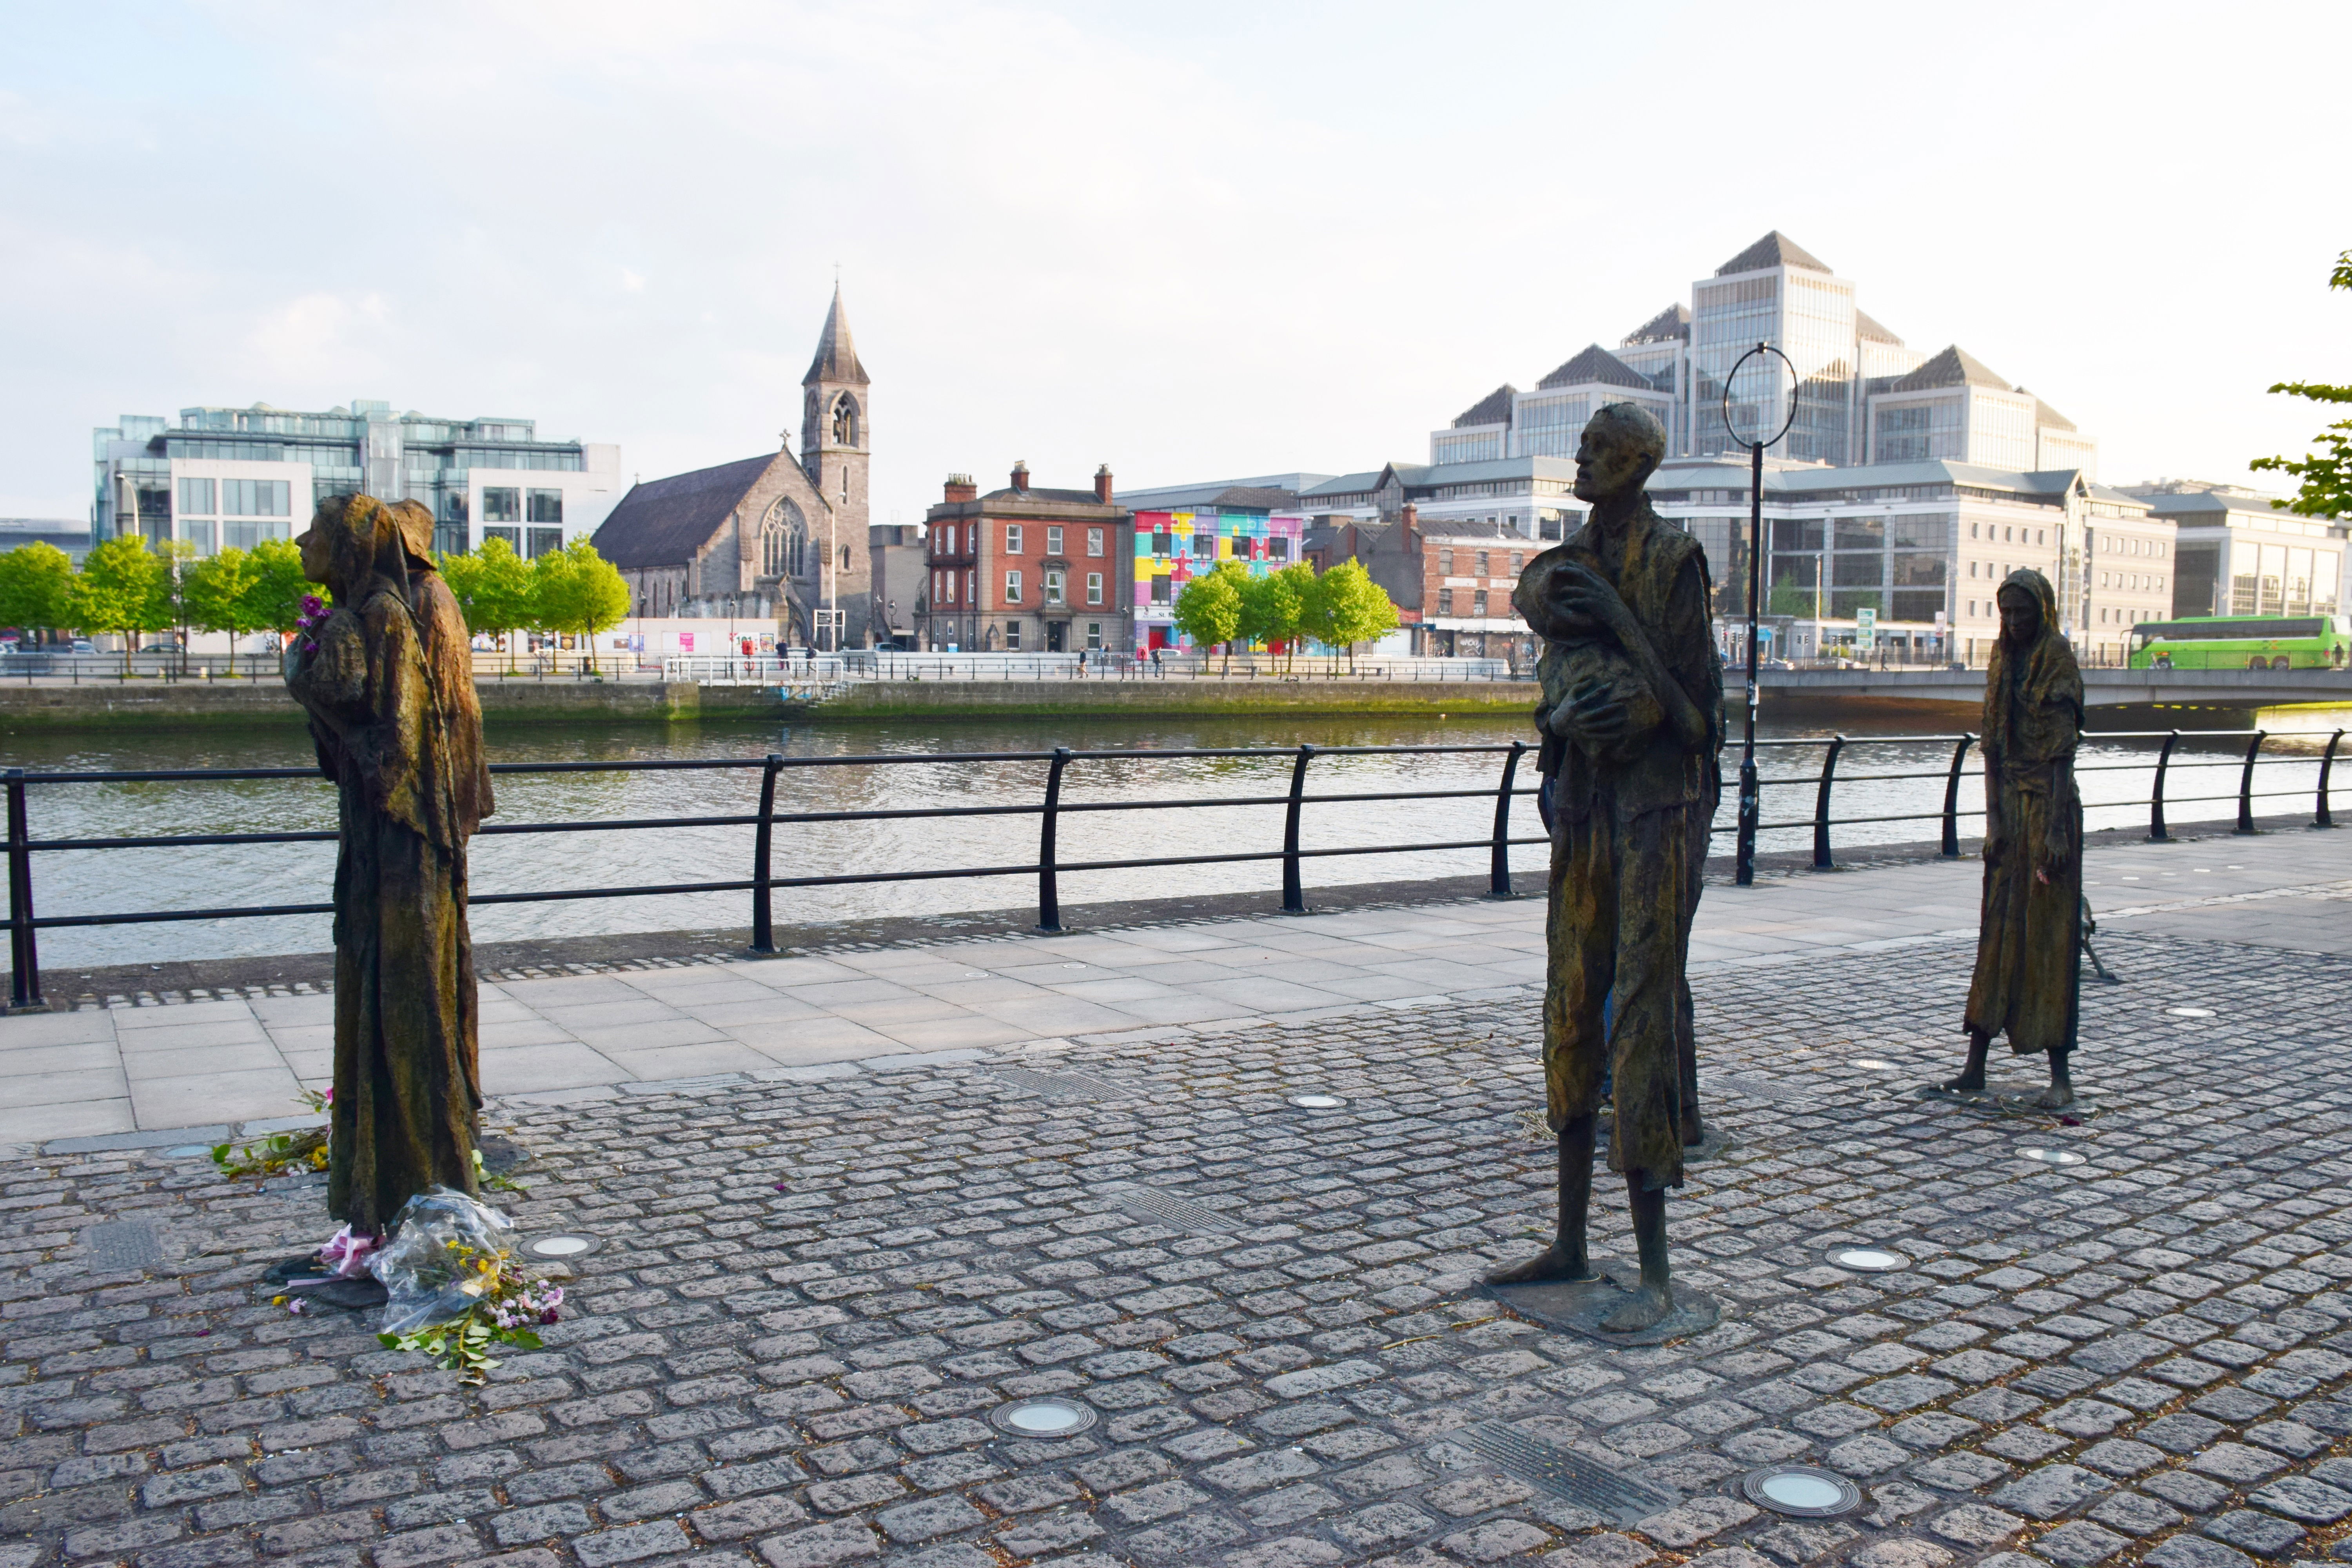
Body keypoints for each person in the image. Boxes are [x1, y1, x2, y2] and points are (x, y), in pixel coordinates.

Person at [1489, 403, 1720, 1331]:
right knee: (1571, 1011)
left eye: (1594, 449)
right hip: (1584, 815)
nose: (1579, 460)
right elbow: (1554, 694)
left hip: (1655, 820)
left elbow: (1699, 718)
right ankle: (1572, 1241)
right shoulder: (1566, 570)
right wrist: (1559, 722)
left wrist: (1626, 625)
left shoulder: (1673, 563)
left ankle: (1657, 1271)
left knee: (1642, 1025)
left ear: (1635, 464)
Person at [286, 494, 489, 1233]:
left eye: (321, 532)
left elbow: (401, 742)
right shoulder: (373, 611)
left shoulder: (392, 614)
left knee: (409, 983)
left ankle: (418, 1161)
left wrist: (311, 688)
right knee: (388, 979)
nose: (304, 542)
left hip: (403, 839)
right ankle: (384, 1166)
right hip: (384, 838)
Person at [1945, 568, 2083, 1109]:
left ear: (2042, 612)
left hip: (2049, 814)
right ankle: (1975, 1064)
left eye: (2023, 612)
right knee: (1996, 934)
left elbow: (2062, 752)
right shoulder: (2002, 658)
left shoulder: (2057, 656)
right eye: (2006, 612)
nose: (2014, 622)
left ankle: (2060, 1075)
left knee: (2050, 941)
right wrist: (1995, 824)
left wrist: (2053, 829)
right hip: (2011, 813)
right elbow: (1991, 748)